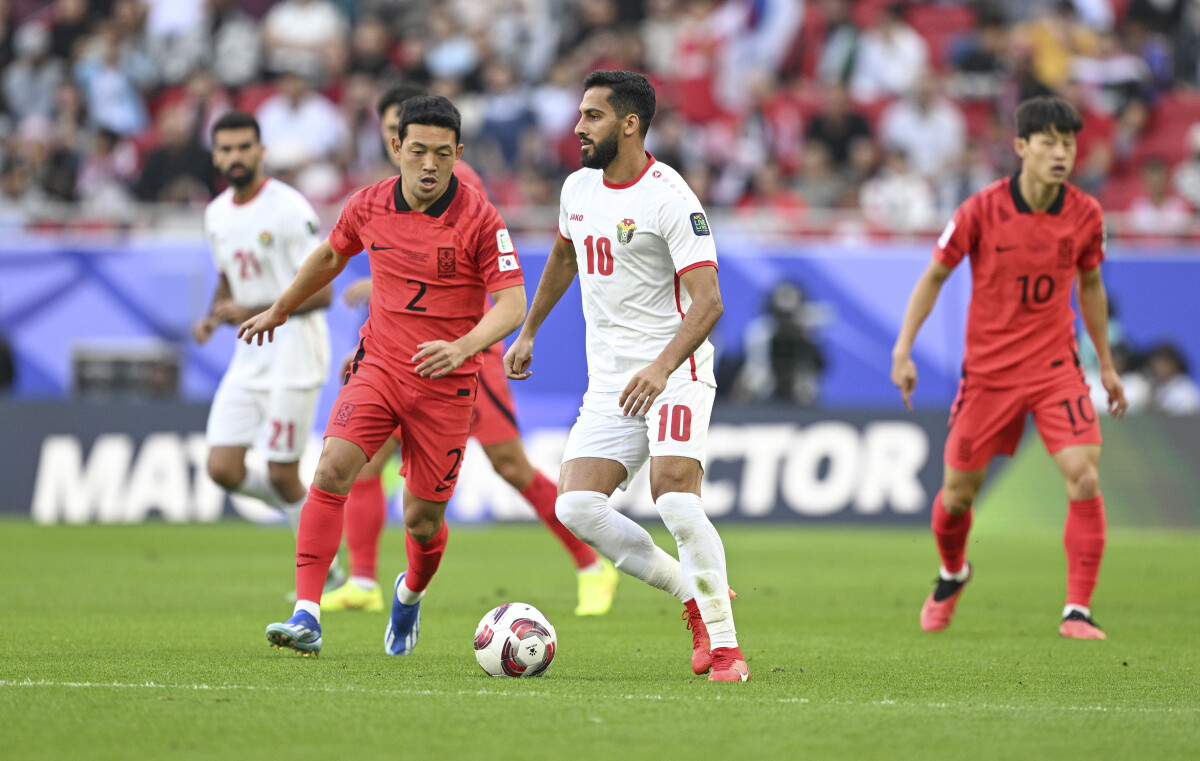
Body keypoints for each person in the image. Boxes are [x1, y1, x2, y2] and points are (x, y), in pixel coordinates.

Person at [240, 95, 527, 657]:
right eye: (417, 150)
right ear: (396, 147)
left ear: (458, 154)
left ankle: (410, 592)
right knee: (333, 468)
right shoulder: (368, 204)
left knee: (422, 521)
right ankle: (307, 612)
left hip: (448, 385)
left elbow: (512, 303)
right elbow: (329, 257)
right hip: (379, 368)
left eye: (442, 155)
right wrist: (280, 307)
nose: (428, 165)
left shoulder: (480, 218)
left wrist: (463, 346)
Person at [321, 83, 618, 617]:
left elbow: (477, 271)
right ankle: (364, 581)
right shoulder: (389, 193)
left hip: (466, 352)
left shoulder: (461, 188)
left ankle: (590, 563)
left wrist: (464, 342)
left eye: (432, 147)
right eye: (401, 137)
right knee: (364, 463)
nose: (421, 158)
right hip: (402, 359)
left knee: (510, 464)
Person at [505, 70, 750, 682]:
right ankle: (694, 596)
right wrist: (530, 329)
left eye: (592, 116)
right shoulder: (578, 189)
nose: (579, 127)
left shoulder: (669, 196)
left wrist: (662, 366)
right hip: (611, 380)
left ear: (630, 123)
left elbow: (709, 301)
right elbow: (565, 254)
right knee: (578, 507)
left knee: (675, 500)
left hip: (676, 367)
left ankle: (724, 646)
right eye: (581, 115)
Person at [891, 96, 1128, 641]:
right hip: (989, 375)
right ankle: (953, 574)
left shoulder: (1087, 214)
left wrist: (1107, 367)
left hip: (1055, 369)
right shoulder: (979, 210)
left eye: (1067, 142)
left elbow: (1090, 287)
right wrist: (903, 351)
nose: (1060, 152)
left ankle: (1077, 610)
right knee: (955, 497)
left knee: (1085, 475)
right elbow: (933, 277)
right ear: (1021, 147)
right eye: (1048, 142)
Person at [191, 111, 339, 590]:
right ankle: (310, 521)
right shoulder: (215, 214)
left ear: (260, 151)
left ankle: (320, 577)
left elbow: (323, 292)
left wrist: (250, 307)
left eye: (243, 147)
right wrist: (214, 315)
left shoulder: (287, 208)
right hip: (250, 357)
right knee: (222, 468)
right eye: (226, 149)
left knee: (281, 472)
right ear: (216, 156)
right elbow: (227, 276)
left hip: (295, 354)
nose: (235, 157)